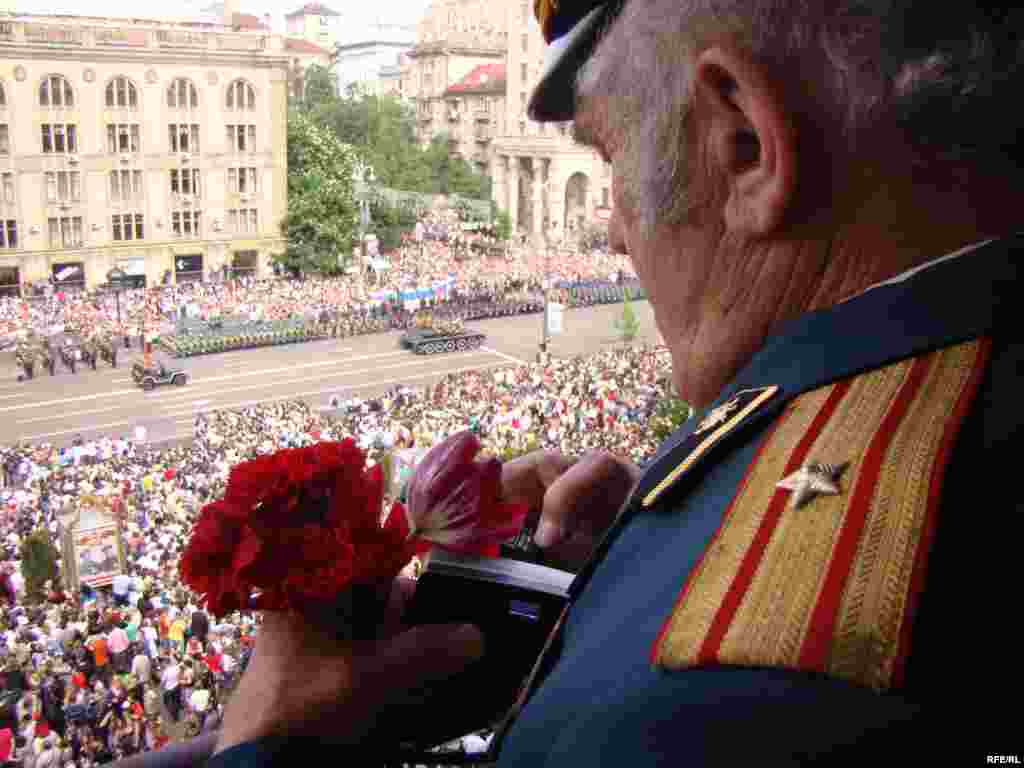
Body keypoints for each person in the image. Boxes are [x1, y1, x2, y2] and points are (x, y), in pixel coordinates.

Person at [203, 0, 1023, 766]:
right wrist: (628, 575)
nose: (613, 230)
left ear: (744, 144)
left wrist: (268, 744)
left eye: (610, 153)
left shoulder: (721, 686)